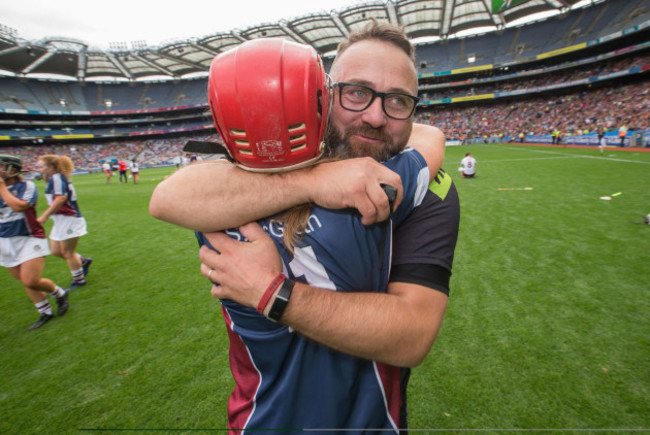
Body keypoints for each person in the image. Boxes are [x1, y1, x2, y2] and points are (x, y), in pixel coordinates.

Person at [151, 21, 459, 433]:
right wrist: (310, 181)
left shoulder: (425, 190)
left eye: (398, 101)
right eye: (357, 93)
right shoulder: (234, 185)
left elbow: (412, 334)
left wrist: (271, 293)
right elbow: (167, 198)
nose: (374, 116)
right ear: (325, 93)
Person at [0, 155, 69, 330]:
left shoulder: (27, 186)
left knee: (31, 280)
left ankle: (59, 293)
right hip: (5, 241)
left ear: (12, 169)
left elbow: (19, 206)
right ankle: (45, 312)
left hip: (29, 238)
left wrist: (1, 187)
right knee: (24, 280)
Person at [36, 155, 92, 291]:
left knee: (68, 252)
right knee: (56, 251)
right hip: (60, 220)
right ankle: (82, 261)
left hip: (69, 219)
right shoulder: (54, 178)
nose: (38, 169)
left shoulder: (57, 178)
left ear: (51, 168)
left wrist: (43, 217)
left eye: (41, 166)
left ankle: (79, 280)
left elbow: (61, 198)